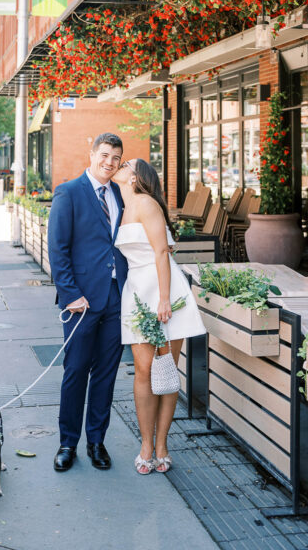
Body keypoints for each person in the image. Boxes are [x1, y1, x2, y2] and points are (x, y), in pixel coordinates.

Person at [113, 158, 206, 474]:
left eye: (125, 164)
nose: (119, 165)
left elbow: (161, 252)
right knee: (142, 370)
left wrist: (164, 299)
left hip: (163, 290)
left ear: (137, 177)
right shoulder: (123, 205)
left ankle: (163, 444)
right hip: (137, 291)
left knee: (166, 369)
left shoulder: (145, 203)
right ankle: (146, 445)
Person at [47, 132, 128, 472]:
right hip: (80, 300)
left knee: (106, 374)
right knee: (76, 370)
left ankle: (97, 441)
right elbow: (57, 249)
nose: (109, 163)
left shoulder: (120, 194)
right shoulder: (69, 192)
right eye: (105, 155)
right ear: (92, 153)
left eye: (116, 158)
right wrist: (70, 294)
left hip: (115, 298)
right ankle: (68, 443)